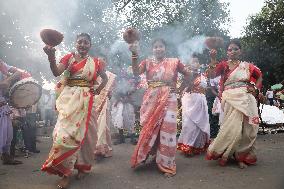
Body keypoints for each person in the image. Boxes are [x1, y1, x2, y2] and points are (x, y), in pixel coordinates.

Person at [41, 33, 108, 189]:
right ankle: (65, 172)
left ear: (90, 45)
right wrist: (51, 56)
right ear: (75, 44)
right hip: (69, 101)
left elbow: (104, 79)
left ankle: (82, 167)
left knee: (87, 136)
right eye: (80, 42)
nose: (82, 45)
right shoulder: (68, 58)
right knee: (63, 135)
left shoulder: (96, 62)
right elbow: (56, 72)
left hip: (88, 101)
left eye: (86, 42)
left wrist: (97, 90)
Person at [129, 38, 191, 177]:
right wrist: (134, 55)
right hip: (151, 99)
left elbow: (189, 74)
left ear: (165, 48)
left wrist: (180, 89)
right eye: (155, 47)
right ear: (152, 49)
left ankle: (167, 164)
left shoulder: (174, 62)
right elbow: (135, 73)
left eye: (161, 46)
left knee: (167, 130)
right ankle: (152, 155)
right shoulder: (147, 62)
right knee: (150, 128)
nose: (158, 49)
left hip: (169, 98)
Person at [206, 39, 262, 169]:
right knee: (233, 127)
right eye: (230, 49)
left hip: (247, 97)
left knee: (247, 128)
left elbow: (259, 76)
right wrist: (213, 59)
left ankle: (241, 156)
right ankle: (229, 153)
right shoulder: (223, 65)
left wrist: (256, 89)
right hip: (230, 98)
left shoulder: (247, 66)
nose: (233, 51)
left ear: (240, 51)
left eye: (236, 49)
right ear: (227, 52)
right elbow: (211, 74)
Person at [177, 57, 210, 157]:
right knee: (189, 124)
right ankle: (188, 146)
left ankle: (199, 146)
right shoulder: (185, 75)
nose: (195, 63)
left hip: (200, 100)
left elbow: (206, 87)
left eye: (197, 62)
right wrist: (189, 79)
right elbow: (181, 89)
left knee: (200, 125)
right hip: (189, 100)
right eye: (193, 62)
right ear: (189, 64)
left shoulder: (203, 75)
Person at [0, 58, 23, 165]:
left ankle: (6, 157)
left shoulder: (2, 64)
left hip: (3, 106)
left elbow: (19, 72)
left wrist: (8, 80)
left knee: (7, 135)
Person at [92, 58, 116, 158]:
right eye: (99, 61)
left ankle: (105, 148)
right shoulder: (92, 73)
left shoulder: (110, 76)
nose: (101, 63)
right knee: (93, 126)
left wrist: (108, 94)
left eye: (103, 61)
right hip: (93, 102)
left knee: (105, 126)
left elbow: (110, 93)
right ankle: (94, 148)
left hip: (104, 103)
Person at [111, 66, 138, 145]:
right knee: (119, 118)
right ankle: (121, 137)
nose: (123, 75)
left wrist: (127, 97)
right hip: (119, 102)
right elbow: (114, 90)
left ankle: (132, 137)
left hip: (128, 102)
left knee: (130, 118)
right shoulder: (115, 80)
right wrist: (120, 98)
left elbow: (133, 90)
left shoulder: (131, 81)